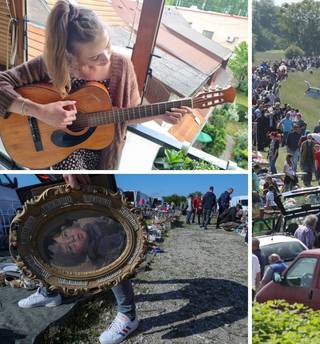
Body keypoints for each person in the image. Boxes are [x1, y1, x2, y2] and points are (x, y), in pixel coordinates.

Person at [0, 1, 191, 170]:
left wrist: (157, 114)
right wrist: (40, 112)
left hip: (104, 157)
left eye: (107, 45)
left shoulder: (122, 67)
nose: (107, 57)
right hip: (61, 152)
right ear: (69, 57)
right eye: (94, 57)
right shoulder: (51, 64)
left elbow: (127, 115)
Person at [17, 175, 138, 344]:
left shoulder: (100, 236)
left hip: (84, 180)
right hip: (52, 178)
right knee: (40, 249)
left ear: (71, 224)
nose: (71, 240)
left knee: (114, 266)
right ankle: (49, 292)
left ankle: (128, 314)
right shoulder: (93, 249)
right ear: (76, 257)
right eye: (69, 248)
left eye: (65, 234)